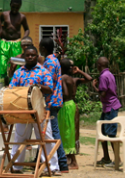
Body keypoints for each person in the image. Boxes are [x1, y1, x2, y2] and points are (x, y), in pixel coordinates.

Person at [9, 46, 59, 175]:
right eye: (27, 55)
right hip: (23, 111)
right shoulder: (19, 72)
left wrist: (37, 87)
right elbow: (12, 88)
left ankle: (52, 167)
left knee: (45, 138)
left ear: (37, 57)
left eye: (33, 55)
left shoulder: (44, 72)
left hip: (40, 111)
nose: (30, 57)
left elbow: (49, 89)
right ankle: (16, 166)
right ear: (24, 57)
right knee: (19, 138)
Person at [40, 37, 69, 173]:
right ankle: (45, 159)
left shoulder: (50, 62)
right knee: (49, 132)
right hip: (54, 100)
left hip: (51, 101)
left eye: (40, 47)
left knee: (53, 132)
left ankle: (62, 163)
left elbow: (48, 83)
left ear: (44, 48)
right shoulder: (52, 60)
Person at [59, 58, 93, 170]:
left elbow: (65, 93)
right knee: (72, 131)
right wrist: (79, 71)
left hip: (65, 106)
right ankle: (69, 158)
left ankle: (73, 161)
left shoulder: (62, 78)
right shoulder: (74, 80)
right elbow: (89, 79)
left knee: (66, 132)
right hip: (73, 104)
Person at [92, 56, 122, 167]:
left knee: (111, 134)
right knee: (102, 131)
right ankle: (106, 158)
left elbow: (103, 93)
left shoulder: (103, 76)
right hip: (108, 107)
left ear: (100, 65)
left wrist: (94, 87)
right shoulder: (110, 74)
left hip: (111, 107)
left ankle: (117, 159)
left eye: (97, 65)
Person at [0, 0, 30, 79]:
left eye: (17, 7)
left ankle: (13, 83)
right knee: (2, 62)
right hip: (4, 43)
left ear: (20, 6)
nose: (15, 9)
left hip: (16, 43)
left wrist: (24, 38)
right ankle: (2, 82)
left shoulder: (22, 17)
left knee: (15, 65)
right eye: (13, 7)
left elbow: (27, 29)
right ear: (10, 5)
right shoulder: (4, 14)